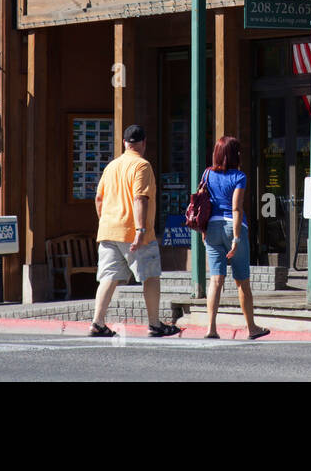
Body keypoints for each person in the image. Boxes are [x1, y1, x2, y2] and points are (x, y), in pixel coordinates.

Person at [89, 124, 180, 338]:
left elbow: (99, 198)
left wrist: (106, 220)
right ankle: (154, 324)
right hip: (133, 231)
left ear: (124, 143)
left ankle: (97, 322)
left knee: (108, 277)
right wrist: (140, 229)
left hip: (108, 230)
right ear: (143, 143)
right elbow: (140, 197)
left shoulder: (111, 166)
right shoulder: (142, 165)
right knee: (150, 276)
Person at [201, 135, 270, 340]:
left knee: (215, 281)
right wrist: (236, 238)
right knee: (242, 282)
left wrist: (204, 229)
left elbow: (202, 201)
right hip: (233, 227)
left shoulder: (207, 174)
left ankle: (211, 329)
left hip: (211, 228)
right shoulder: (239, 177)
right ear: (234, 155)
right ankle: (251, 328)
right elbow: (236, 208)